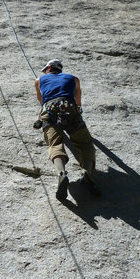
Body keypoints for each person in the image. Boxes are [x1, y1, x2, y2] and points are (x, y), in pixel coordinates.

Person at [34, 59, 100, 201]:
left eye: (46, 69)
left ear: (49, 69)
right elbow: (78, 98)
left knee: (55, 144)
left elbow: (41, 101)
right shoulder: (73, 79)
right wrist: (78, 110)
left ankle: (62, 174)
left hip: (49, 110)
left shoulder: (39, 80)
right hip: (69, 108)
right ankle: (87, 172)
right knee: (85, 144)